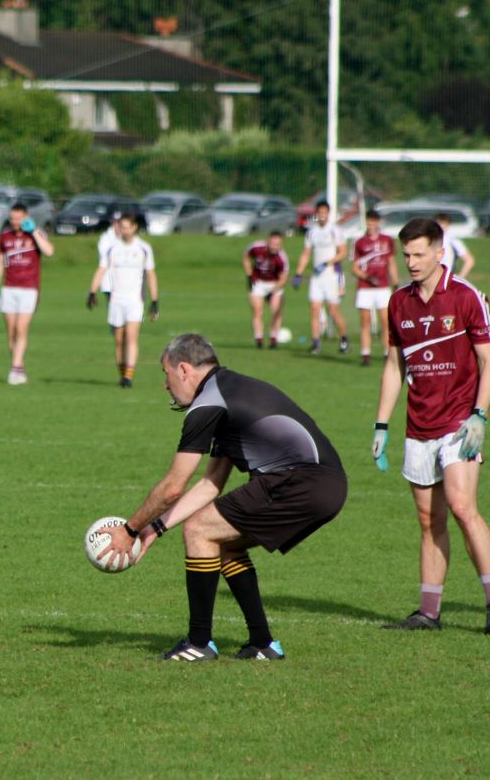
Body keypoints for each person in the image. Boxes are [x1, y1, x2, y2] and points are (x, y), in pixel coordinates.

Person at [102, 333, 347, 661]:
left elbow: (174, 485)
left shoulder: (208, 404)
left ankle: (199, 642)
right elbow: (210, 485)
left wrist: (129, 530)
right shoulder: (229, 390)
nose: (166, 385)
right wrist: (154, 530)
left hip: (299, 482)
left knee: (199, 529)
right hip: (324, 484)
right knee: (222, 541)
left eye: (166, 374)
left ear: (185, 369)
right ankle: (263, 644)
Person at [372, 217, 490, 634]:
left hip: (460, 420)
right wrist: (381, 425)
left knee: (462, 507)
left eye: (420, 253)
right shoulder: (398, 302)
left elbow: (487, 360)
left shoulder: (465, 297)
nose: (412, 262)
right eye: (406, 254)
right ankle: (428, 612)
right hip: (418, 424)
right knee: (428, 520)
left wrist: (480, 415)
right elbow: (393, 366)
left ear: (441, 252)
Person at [87, 215, 158, 387]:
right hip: (116, 299)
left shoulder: (144, 248)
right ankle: (123, 373)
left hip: (135, 300)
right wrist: (92, 291)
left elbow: (150, 274)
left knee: (131, 337)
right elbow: (101, 269)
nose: (124, 230)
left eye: (127, 227)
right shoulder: (112, 248)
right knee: (119, 340)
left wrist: (155, 300)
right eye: (122, 227)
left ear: (134, 227)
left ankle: (129, 377)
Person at [0, 202, 54, 385]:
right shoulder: (5, 237)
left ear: (26, 217)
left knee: (21, 328)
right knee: (11, 332)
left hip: (29, 288)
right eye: (12, 218)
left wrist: (34, 231)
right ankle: (18, 367)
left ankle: (15, 369)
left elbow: (49, 251)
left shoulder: (36, 234)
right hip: (9, 288)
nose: (15, 222)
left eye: (18, 218)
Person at [292, 200, 349, 355]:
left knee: (333, 311)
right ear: (317, 214)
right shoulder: (312, 232)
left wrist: (327, 263)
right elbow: (306, 253)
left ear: (328, 214)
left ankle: (344, 339)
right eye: (320, 213)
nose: (322, 215)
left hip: (331, 275)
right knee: (314, 309)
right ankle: (316, 343)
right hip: (316, 278)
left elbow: (343, 252)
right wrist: (298, 273)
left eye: (325, 212)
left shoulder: (335, 230)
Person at [351, 209, 399, 366]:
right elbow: (355, 267)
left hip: (383, 287)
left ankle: (387, 353)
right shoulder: (359, 242)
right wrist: (366, 277)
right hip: (365, 287)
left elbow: (391, 262)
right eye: (369, 221)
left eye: (374, 221)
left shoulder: (387, 240)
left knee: (386, 321)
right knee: (366, 321)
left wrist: (396, 282)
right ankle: (366, 353)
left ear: (378, 222)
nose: (371, 224)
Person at [242, 231, 290, 349]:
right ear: (268, 241)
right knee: (258, 310)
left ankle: (274, 338)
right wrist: (249, 275)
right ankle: (259, 339)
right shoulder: (256, 247)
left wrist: (272, 291)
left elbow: (283, 279)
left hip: (274, 284)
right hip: (258, 282)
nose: (275, 247)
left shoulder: (282, 258)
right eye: (273, 244)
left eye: (277, 244)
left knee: (276, 311)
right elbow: (246, 258)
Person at [435, 211, 475, 279]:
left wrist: (460, 278)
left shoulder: (453, 241)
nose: (442, 227)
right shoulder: (429, 241)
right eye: (439, 224)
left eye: (444, 224)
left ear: (448, 225)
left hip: (447, 279)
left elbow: (469, 260)